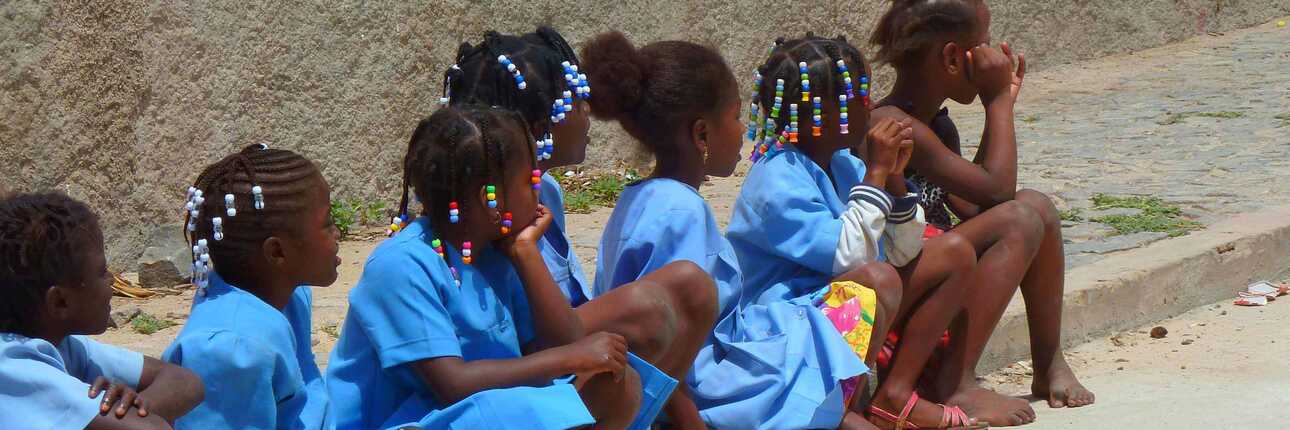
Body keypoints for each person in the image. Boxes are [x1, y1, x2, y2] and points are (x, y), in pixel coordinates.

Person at [440, 27, 718, 427]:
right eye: (573, 96)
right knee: (646, 311)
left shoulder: (546, 191)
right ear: (537, 125)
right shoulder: (493, 210)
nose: (586, 109)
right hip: (522, 358)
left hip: (558, 334)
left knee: (691, 286)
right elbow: (526, 334)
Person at [326, 105, 646, 430]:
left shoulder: (494, 252)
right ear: (490, 200)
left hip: (472, 409)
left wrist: (526, 254)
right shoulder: (403, 265)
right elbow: (452, 384)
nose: (539, 192)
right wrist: (571, 358)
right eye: (529, 181)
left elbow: (564, 342)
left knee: (618, 384)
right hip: (408, 420)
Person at [726, 34, 985, 429]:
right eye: (854, 97)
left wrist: (895, 181)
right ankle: (842, 411)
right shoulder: (776, 180)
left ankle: (893, 395)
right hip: (784, 324)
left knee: (954, 251)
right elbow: (851, 258)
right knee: (876, 278)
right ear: (815, 117)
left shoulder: (844, 164)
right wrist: (877, 174)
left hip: (839, 302)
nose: (868, 106)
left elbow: (902, 251)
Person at [869, 0, 1094, 422]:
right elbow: (997, 192)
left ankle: (1047, 363)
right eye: (985, 46)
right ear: (954, 57)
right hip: (898, 299)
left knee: (1036, 207)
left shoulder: (936, 124)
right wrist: (997, 103)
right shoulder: (895, 125)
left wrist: (999, 105)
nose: (994, 57)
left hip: (935, 284)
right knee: (1020, 216)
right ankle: (954, 385)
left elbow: (979, 203)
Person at [162, 145, 339, 429]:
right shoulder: (230, 349)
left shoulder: (290, 295)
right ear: (278, 253)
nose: (337, 232)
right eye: (328, 222)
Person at [2, 192, 204, 430]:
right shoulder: (13, 367)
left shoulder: (62, 344)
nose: (111, 280)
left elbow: (186, 381)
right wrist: (134, 419)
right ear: (60, 302)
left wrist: (133, 407)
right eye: (101, 272)